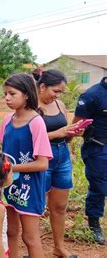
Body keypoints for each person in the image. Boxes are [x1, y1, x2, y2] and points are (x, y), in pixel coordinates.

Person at [0, 73, 52, 258]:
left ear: (26, 94)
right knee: (10, 232)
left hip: (30, 188)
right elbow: (2, 152)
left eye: (12, 94)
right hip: (9, 186)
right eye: (5, 93)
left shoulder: (36, 123)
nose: (7, 98)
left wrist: (10, 169)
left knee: (30, 237)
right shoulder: (7, 120)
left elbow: (43, 163)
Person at [37, 69, 82, 256]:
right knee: (36, 208)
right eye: (55, 91)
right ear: (42, 87)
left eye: (60, 92)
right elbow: (28, 138)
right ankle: (35, 248)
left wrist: (71, 133)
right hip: (40, 158)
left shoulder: (60, 105)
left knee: (59, 207)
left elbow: (65, 135)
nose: (58, 95)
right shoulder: (30, 107)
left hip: (62, 156)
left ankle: (59, 247)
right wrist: (58, 133)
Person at [73, 76, 107, 245]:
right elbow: (76, 126)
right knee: (100, 186)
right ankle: (94, 223)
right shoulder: (92, 95)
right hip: (98, 147)